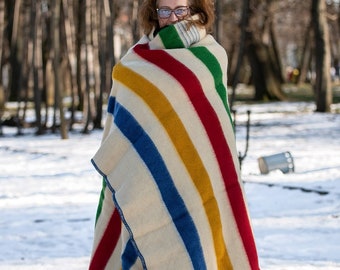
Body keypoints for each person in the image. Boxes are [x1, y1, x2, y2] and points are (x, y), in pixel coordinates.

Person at [89, 0, 260, 269]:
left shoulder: (211, 57)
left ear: (196, 9)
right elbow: (120, 137)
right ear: (153, 13)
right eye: (164, 11)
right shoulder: (132, 66)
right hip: (146, 184)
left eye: (180, 9)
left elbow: (216, 133)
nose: (172, 18)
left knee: (203, 249)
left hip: (203, 183)